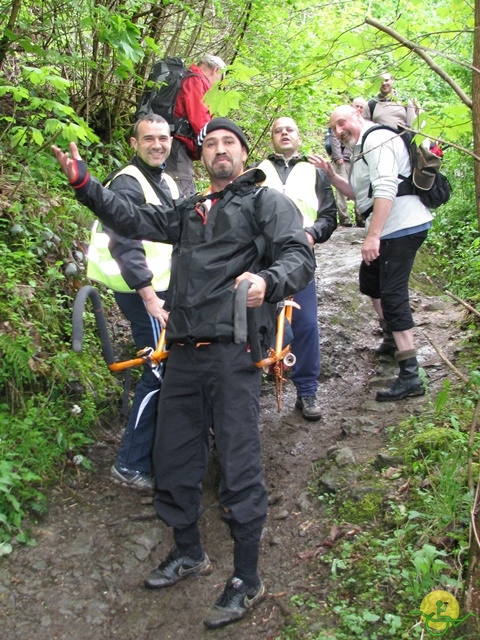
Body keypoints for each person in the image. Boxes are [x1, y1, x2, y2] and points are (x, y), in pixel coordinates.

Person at [52, 117, 315, 629]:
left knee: (238, 463)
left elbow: (299, 256)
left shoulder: (265, 202)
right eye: (211, 143)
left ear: (243, 154)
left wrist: (268, 280)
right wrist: (86, 184)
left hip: (234, 351)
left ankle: (247, 575)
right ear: (202, 155)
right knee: (174, 456)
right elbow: (132, 217)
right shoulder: (190, 209)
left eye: (229, 144)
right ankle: (189, 552)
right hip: (183, 352)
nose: (219, 150)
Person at [309, 105, 433, 402]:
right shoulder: (362, 147)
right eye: (334, 129)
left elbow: (386, 188)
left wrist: (373, 235)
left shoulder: (377, 139)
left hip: (402, 226)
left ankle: (410, 374)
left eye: (342, 123)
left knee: (392, 294)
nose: (339, 131)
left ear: (358, 115)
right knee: (370, 282)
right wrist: (330, 175)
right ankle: (391, 338)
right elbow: (358, 192)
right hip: (392, 227)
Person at [87, 114, 179, 491]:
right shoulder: (127, 181)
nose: (157, 145)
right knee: (157, 371)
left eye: (163, 138)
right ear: (133, 143)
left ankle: (158, 447)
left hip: (160, 288)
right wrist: (150, 297)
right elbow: (124, 241)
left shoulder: (167, 179)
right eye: (148, 139)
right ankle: (130, 462)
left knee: (167, 366)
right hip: (141, 291)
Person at [256, 116, 337, 420]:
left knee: (306, 325)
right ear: (272, 138)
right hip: (263, 260)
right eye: (278, 130)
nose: (284, 133)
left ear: (299, 137)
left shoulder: (314, 172)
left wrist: (312, 233)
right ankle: (251, 389)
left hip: (299, 259)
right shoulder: (257, 172)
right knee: (258, 322)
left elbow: (329, 216)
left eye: (289, 129)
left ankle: (306, 391)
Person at [164, 54, 226, 197]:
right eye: (220, 81)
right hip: (177, 147)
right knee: (182, 191)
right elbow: (200, 121)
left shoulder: (189, 78)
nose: (217, 86)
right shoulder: (196, 81)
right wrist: (215, 144)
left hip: (175, 142)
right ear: (215, 70)